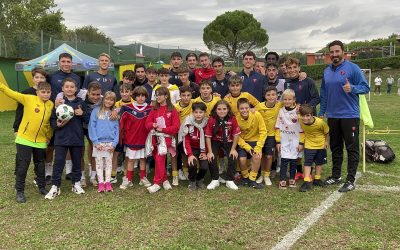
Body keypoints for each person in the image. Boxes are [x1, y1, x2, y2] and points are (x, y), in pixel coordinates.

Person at [319, 40, 370, 192]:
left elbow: (366, 87)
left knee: (352, 148)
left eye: (337, 51)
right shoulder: (327, 71)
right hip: (332, 116)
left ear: (343, 52)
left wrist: (352, 88)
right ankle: (336, 176)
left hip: (349, 115)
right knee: (335, 147)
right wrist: (322, 111)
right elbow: (324, 93)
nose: (334, 54)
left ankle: (350, 180)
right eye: (332, 52)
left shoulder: (353, 68)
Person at [0, 81, 53, 203]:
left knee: (40, 164)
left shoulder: (50, 105)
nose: (45, 94)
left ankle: (41, 187)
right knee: (23, 164)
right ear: (37, 92)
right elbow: (11, 93)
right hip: (24, 139)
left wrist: (48, 136)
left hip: (40, 141)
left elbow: (49, 123)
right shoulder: (28, 99)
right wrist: (1, 86)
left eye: (48, 92)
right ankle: (20, 191)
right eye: (43, 92)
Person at [45, 78, 89, 200]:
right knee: (58, 162)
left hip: (76, 138)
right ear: (62, 88)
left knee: (77, 162)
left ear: (76, 89)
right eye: (67, 87)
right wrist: (57, 125)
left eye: (72, 87)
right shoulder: (58, 104)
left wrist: (82, 113)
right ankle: (55, 186)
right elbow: (53, 121)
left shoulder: (81, 103)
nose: (69, 89)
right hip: (61, 139)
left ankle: (76, 183)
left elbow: (88, 120)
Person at [12, 67, 53, 183]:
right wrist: (16, 128)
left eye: (42, 77)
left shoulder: (47, 96)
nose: (39, 79)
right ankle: (18, 174)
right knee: (23, 157)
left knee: (39, 158)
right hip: (25, 133)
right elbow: (19, 111)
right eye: (37, 77)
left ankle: (38, 178)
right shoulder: (26, 93)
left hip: (40, 136)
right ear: (33, 78)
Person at [145, 87, 180, 193]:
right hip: (155, 138)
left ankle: (157, 183)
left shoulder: (172, 110)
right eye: (156, 95)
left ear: (166, 96)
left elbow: (176, 127)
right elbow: (147, 124)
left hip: (166, 139)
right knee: (158, 160)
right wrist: (153, 124)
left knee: (160, 159)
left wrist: (163, 129)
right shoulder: (154, 109)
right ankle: (165, 180)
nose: (158, 97)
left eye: (160, 94)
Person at [119, 86, 153, 189]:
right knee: (130, 159)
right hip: (132, 138)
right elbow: (121, 124)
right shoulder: (127, 108)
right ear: (134, 96)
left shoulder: (150, 108)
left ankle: (143, 177)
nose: (141, 98)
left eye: (143, 95)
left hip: (144, 138)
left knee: (143, 159)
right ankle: (128, 178)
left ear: (146, 96)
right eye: (138, 95)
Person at [205, 100, 241, 190]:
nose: (222, 111)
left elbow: (236, 135)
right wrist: (209, 151)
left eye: (224, 109)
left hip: (228, 140)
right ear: (215, 110)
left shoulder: (232, 118)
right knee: (211, 156)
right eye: (219, 109)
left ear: (228, 109)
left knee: (233, 156)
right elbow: (208, 136)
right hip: (215, 140)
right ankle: (215, 179)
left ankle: (230, 180)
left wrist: (233, 149)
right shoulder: (212, 119)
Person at [89, 91, 119, 193]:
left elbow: (117, 130)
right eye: (107, 99)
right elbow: (91, 127)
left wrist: (114, 144)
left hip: (110, 143)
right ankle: (101, 183)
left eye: (111, 100)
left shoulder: (114, 114)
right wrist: (95, 142)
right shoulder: (96, 111)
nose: (109, 101)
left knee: (108, 164)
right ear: (103, 99)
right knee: (99, 164)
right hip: (98, 143)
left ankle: (108, 183)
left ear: (114, 101)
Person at [275, 89, 304, 189]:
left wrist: (301, 143)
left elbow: (302, 129)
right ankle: (282, 180)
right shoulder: (280, 111)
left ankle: (292, 179)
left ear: (294, 99)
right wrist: (278, 141)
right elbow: (277, 127)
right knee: (284, 160)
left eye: (289, 99)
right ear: (282, 100)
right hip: (284, 139)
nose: (287, 101)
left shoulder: (298, 111)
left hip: (295, 140)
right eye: (285, 99)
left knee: (293, 160)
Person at [236, 98, 267, 189]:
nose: (244, 110)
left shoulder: (256, 115)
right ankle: (245, 178)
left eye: (246, 108)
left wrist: (258, 147)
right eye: (242, 108)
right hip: (243, 142)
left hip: (255, 141)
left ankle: (252, 179)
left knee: (256, 156)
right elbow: (237, 136)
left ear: (250, 107)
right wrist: (247, 147)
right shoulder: (236, 118)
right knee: (242, 159)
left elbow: (263, 131)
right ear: (238, 109)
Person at [255, 86, 283, 186]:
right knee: (261, 155)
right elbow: (252, 113)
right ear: (265, 96)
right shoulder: (259, 106)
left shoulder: (280, 105)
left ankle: (267, 175)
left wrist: (297, 106)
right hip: (261, 135)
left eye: (273, 94)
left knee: (269, 155)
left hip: (271, 135)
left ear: (277, 96)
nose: (271, 97)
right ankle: (262, 174)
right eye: (268, 95)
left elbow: (291, 105)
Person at [179, 102, 209, 191]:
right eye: (196, 112)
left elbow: (208, 139)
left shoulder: (207, 122)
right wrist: (190, 154)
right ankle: (192, 181)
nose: (198, 114)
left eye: (201, 112)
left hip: (203, 148)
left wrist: (204, 152)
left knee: (204, 167)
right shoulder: (188, 121)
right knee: (192, 164)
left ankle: (199, 179)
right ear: (193, 112)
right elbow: (186, 140)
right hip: (192, 148)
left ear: (204, 113)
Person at [299, 104, 329, 192]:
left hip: (321, 145)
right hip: (309, 145)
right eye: (303, 116)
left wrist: (326, 142)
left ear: (312, 115)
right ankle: (306, 181)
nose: (305, 118)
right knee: (307, 163)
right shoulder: (300, 119)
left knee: (319, 162)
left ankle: (317, 179)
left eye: (307, 116)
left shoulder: (320, 122)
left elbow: (327, 132)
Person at [112, 83, 134, 183]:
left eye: (127, 91)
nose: (124, 94)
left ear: (131, 92)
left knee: (127, 154)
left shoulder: (134, 104)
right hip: (119, 133)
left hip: (130, 133)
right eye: (122, 92)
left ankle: (126, 174)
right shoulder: (116, 104)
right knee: (116, 153)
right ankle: (113, 174)